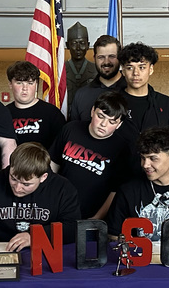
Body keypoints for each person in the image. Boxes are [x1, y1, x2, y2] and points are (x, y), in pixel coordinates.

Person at [0, 142, 81, 252]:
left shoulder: (63, 189)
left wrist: (36, 236)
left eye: (26, 184)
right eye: (13, 179)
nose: (17, 188)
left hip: (42, 253)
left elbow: (72, 228)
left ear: (43, 177)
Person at [49, 91, 130, 221]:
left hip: (90, 216)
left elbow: (115, 191)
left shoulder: (121, 148)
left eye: (112, 121)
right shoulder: (71, 129)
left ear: (119, 124)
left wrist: (97, 218)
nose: (103, 124)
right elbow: (52, 165)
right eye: (100, 116)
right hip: (57, 207)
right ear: (92, 111)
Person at [4, 60, 65, 149]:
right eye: (19, 83)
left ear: (36, 84)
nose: (25, 88)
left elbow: (61, 147)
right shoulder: (3, 113)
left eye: (30, 83)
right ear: (10, 84)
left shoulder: (52, 113)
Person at [68, 34, 123, 122]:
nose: (106, 62)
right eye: (101, 57)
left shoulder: (133, 91)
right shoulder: (81, 95)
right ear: (94, 58)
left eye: (111, 56)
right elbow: (74, 128)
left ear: (120, 57)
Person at [64, 22, 97, 106]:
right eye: (74, 43)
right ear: (67, 45)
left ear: (88, 45)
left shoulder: (96, 70)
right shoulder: (60, 70)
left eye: (82, 43)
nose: (78, 48)